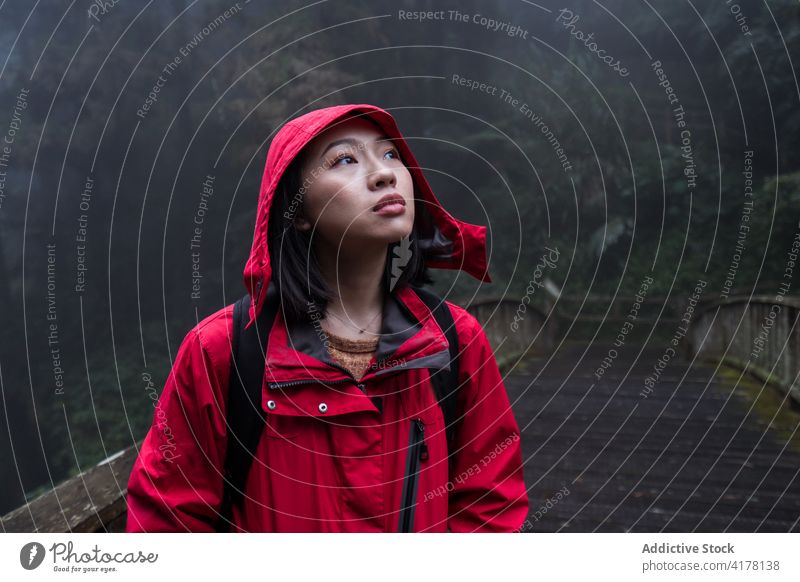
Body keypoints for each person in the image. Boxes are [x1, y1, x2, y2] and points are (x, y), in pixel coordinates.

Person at [125, 103, 528, 532]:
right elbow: (166, 523)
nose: (384, 173)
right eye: (345, 160)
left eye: (391, 155)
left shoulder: (455, 340)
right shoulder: (224, 351)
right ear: (297, 211)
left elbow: (490, 507)